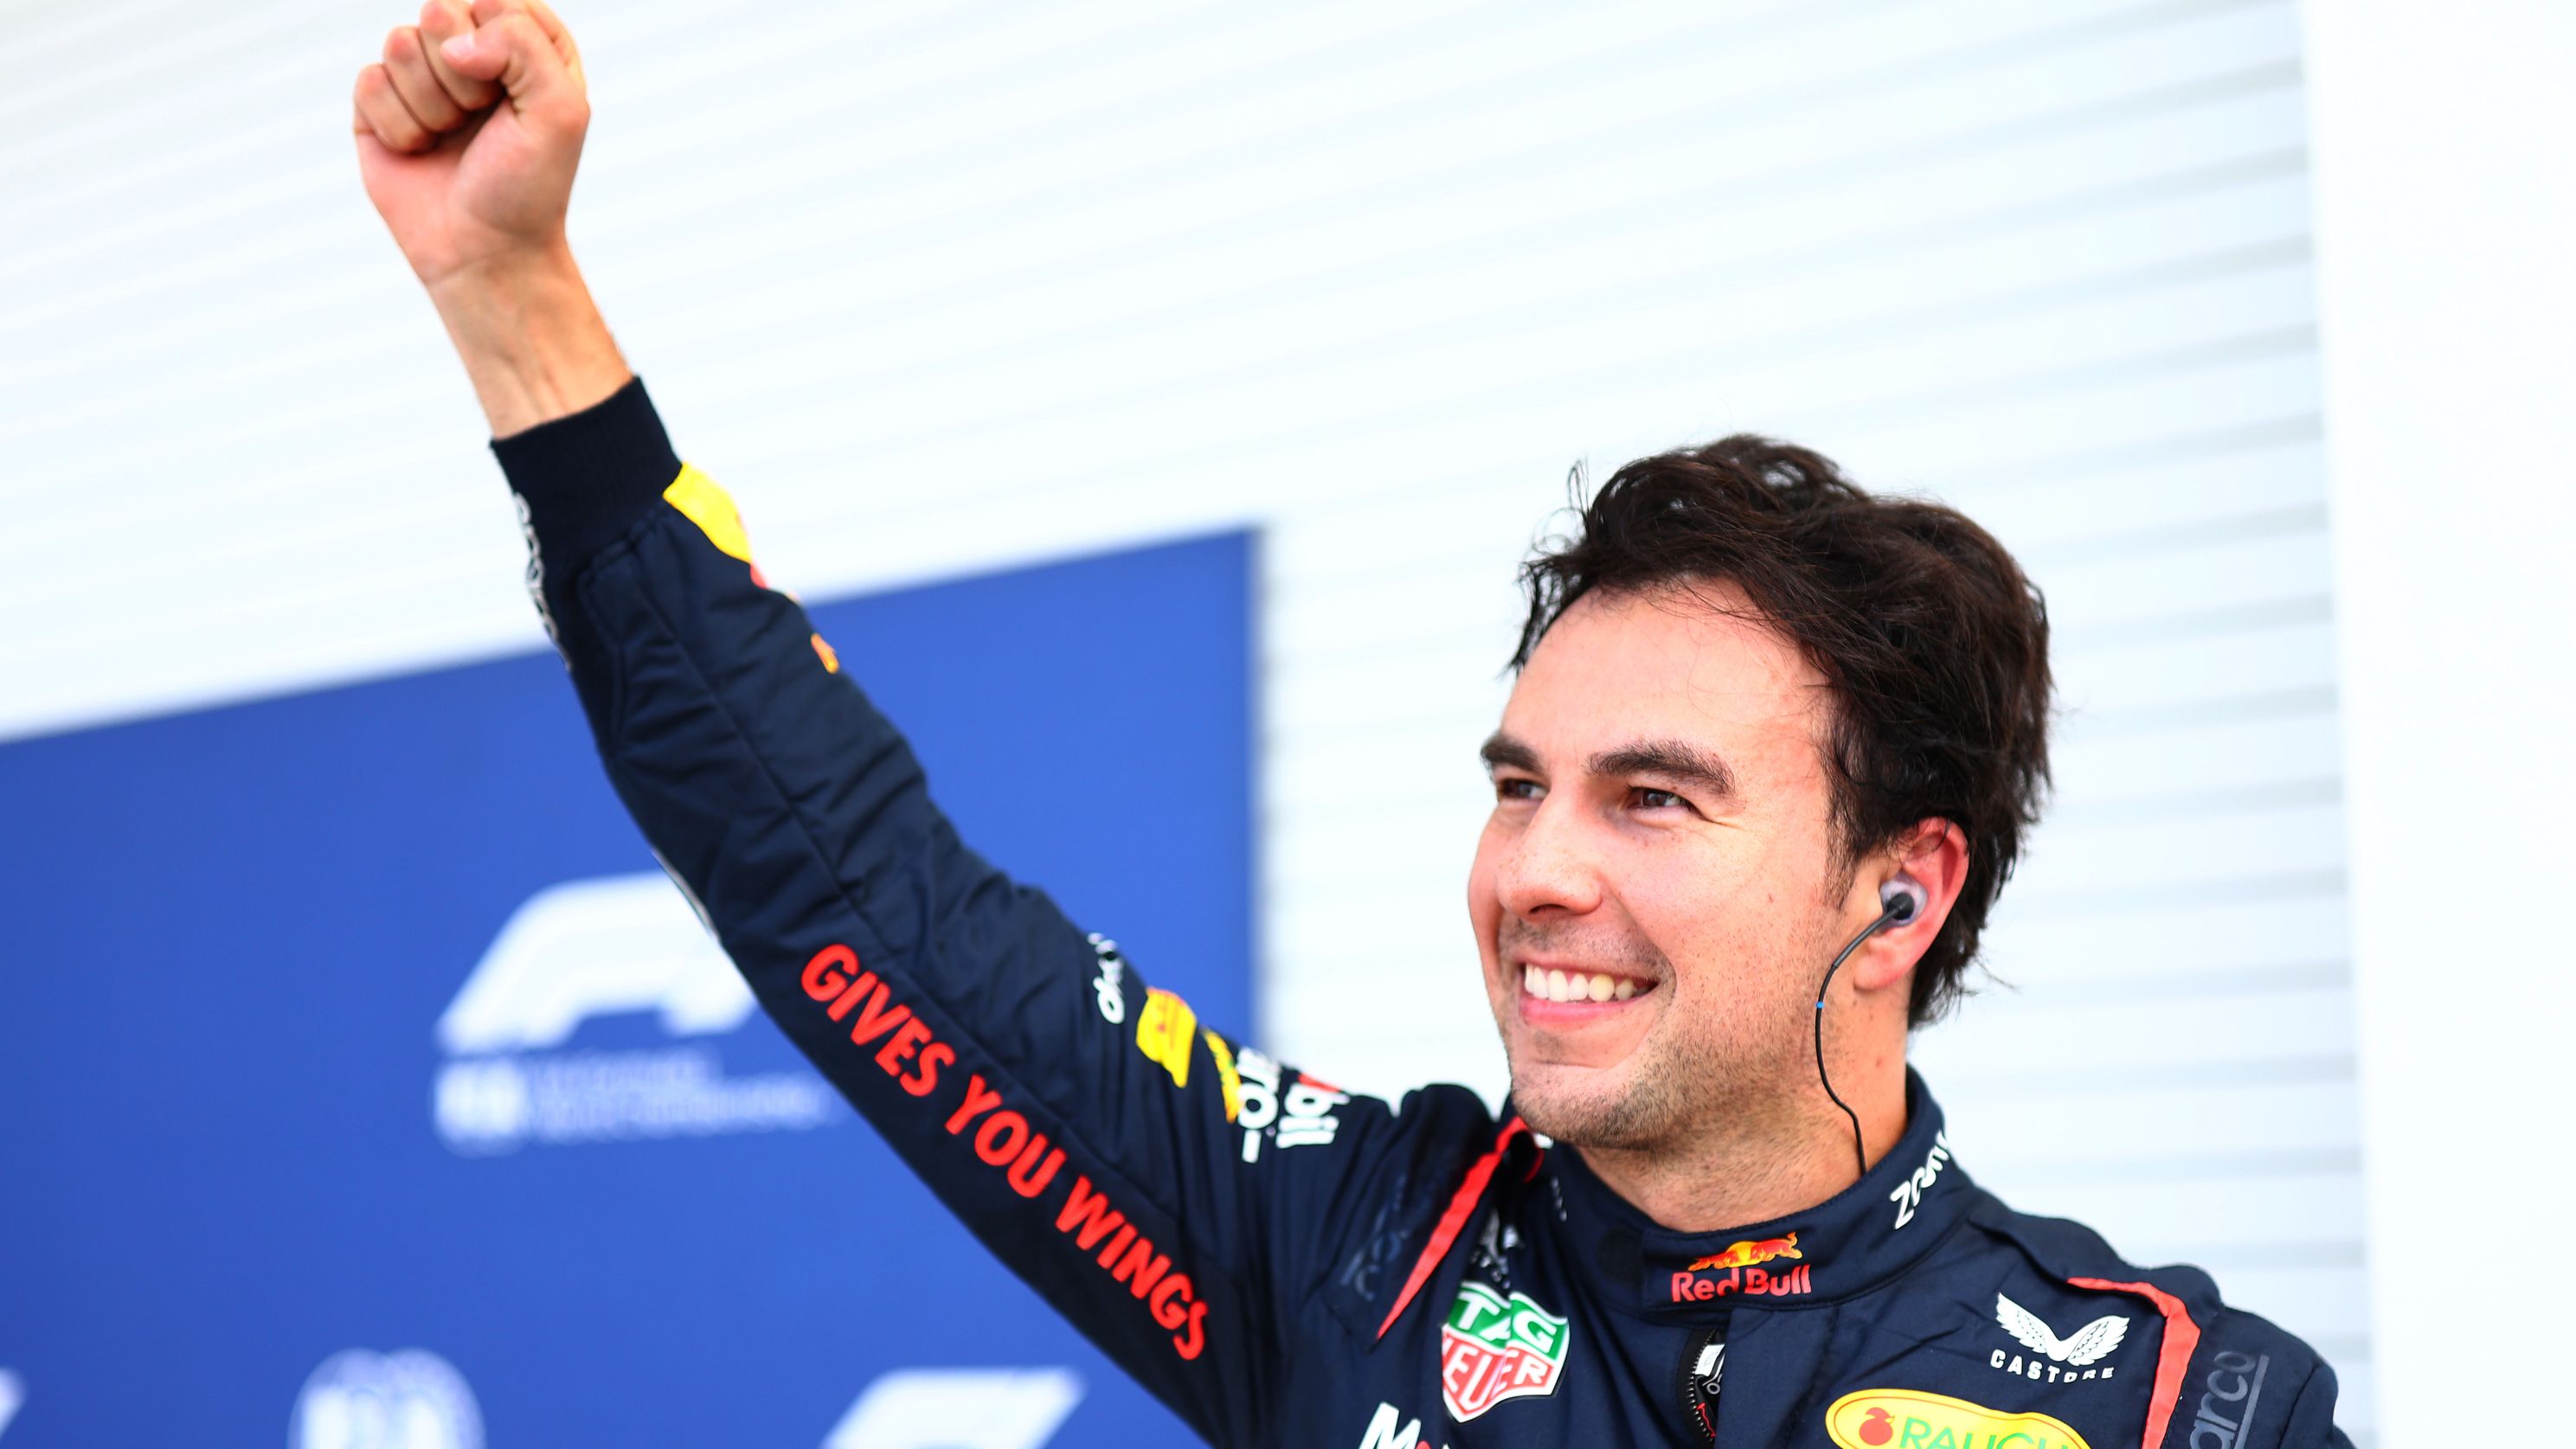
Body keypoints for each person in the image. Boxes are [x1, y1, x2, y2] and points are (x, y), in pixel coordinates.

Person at [352, 3, 2353, 1445]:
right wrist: (516, 299)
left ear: (1901, 890)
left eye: (1656, 797)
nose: (1535, 871)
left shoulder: (2187, 1405)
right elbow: (853, 889)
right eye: (1518, 784)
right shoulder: (1342, 1245)